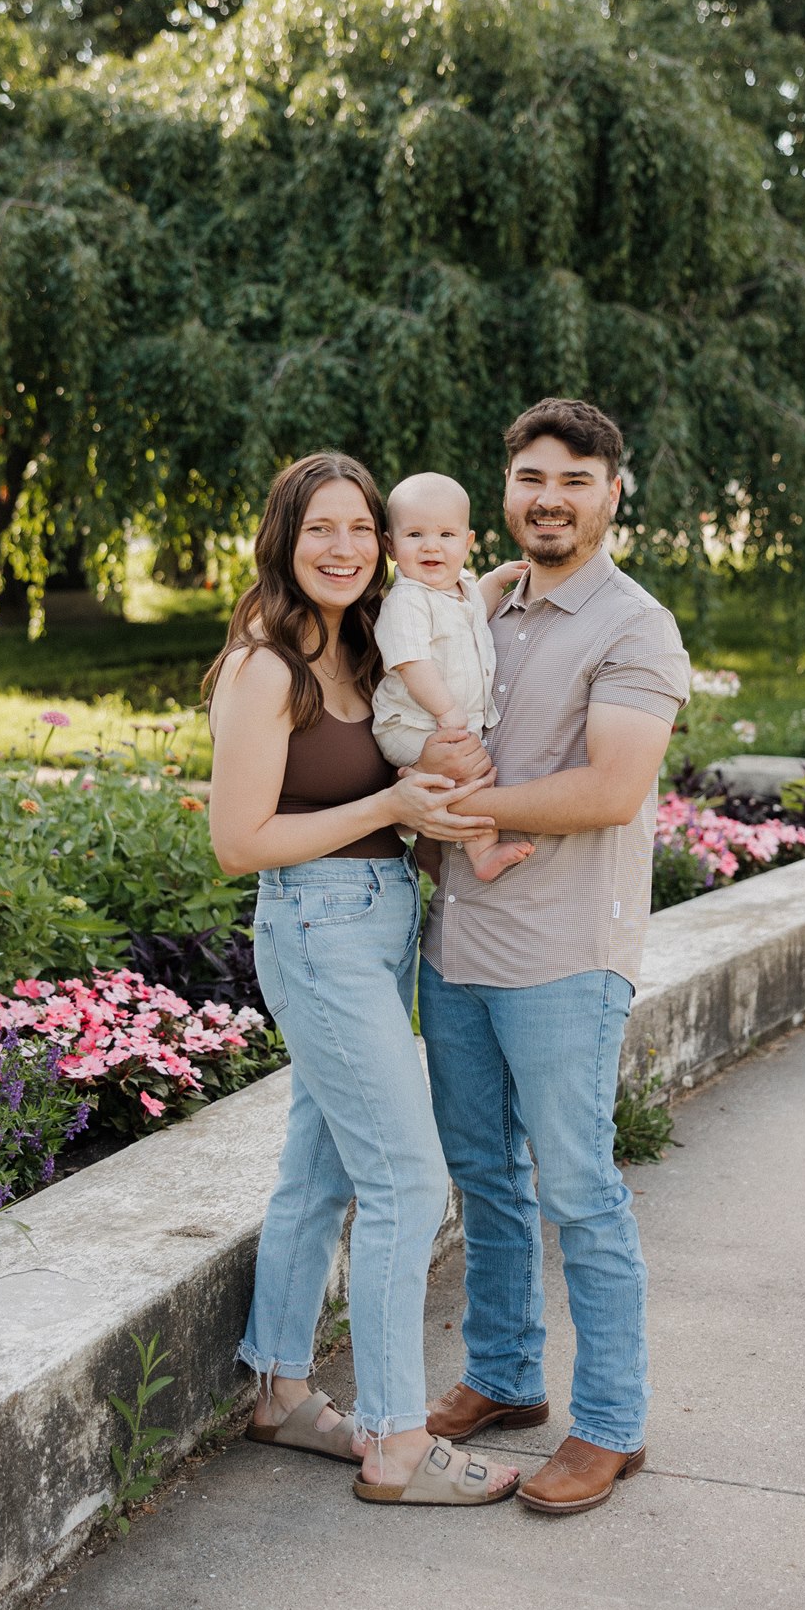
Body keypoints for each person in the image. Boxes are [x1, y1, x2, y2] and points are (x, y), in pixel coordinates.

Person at [206, 451, 520, 1507]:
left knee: (322, 1168)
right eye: (318, 530)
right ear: (283, 543)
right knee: (406, 1178)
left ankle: (281, 1390)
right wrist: (390, 806)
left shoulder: (360, 645)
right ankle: (394, 1439)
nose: (341, 548)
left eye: (357, 529)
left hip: (380, 921)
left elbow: (450, 607)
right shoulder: (266, 666)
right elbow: (239, 840)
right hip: (318, 927)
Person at [415, 398, 691, 1515]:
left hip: (567, 956)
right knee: (482, 1175)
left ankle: (612, 1423)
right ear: (507, 484)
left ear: (612, 492)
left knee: (577, 1190)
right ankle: (504, 1372)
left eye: (573, 479)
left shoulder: (633, 626)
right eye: (531, 475)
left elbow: (610, 788)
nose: (548, 496)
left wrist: (466, 805)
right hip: (459, 944)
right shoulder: (487, 602)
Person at [370, 469, 531, 882]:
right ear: (390, 545)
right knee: (467, 773)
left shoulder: (459, 590)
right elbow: (411, 661)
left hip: (444, 723)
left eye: (446, 535)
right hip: (409, 723)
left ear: (467, 542)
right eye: (415, 535)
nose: (431, 546)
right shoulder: (407, 600)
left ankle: (428, 847)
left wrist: (495, 580)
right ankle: (479, 854)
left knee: (471, 771)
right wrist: (447, 710)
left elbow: (478, 606)